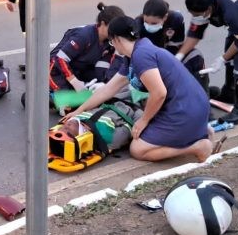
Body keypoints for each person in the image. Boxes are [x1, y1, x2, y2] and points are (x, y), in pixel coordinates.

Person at [63, 16, 216, 163]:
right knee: (143, 122)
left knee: (138, 149)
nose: (112, 46)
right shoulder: (134, 55)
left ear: (116, 39)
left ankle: (198, 146)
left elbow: (159, 93)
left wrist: (144, 121)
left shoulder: (141, 55)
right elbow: (108, 89)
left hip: (184, 111)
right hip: (192, 106)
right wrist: (79, 110)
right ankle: (196, 131)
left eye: (111, 42)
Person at [135, 0, 209, 94]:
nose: (149, 26)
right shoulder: (137, 25)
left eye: (154, 23)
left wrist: (174, 60)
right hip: (149, 59)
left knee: (195, 55)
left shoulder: (176, 19)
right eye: (146, 22)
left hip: (168, 52)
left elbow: (176, 45)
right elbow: (136, 53)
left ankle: (201, 92)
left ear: (165, 17)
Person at [49, 3, 125, 93]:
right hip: (56, 69)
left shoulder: (109, 41)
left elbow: (110, 62)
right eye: (113, 28)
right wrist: (74, 81)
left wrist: (104, 83)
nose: (116, 32)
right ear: (103, 23)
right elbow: (59, 59)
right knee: (68, 100)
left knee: (99, 91)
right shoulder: (84, 35)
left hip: (78, 70)